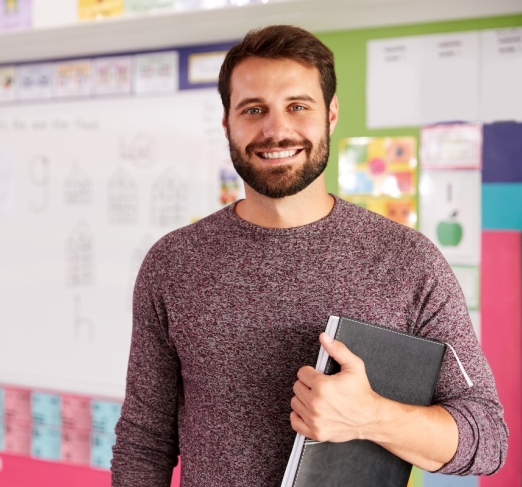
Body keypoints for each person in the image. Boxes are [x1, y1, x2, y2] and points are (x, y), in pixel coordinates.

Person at [111, 25, 508, 486]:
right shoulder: (173, 264)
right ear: (227, 123)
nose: (276, 130)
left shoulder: (409, 261)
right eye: (253, 109)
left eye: (297, 106)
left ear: (331, 114)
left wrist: (371, 417)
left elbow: (488, 438)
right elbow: (144, 441)